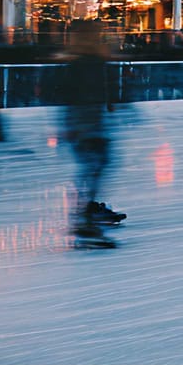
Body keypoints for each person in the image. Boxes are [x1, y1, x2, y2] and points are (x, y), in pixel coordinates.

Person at [62, 20, 125, 249]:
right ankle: (85, 217)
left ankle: (88, 212)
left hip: (87, 122)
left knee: (95, 167)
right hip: (87, 124)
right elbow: (82, 94)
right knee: (95, 166)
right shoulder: (88, 62)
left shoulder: (84, 62)